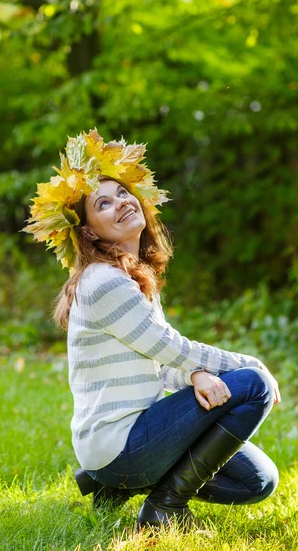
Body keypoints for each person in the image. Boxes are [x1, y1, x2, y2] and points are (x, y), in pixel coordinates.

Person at [22, 128, 280, 532]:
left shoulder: (131, 276)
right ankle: (164, 506)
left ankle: (111, 485)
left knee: (257, 481)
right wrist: (251, 364)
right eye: (103, 204)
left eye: (122, 194)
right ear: (88, 231)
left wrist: (194, 373)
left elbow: (158, 357)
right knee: (253, 385)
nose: (121, 203)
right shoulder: (104, 282)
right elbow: (168, 346)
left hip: (130, 441)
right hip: (121, 443)